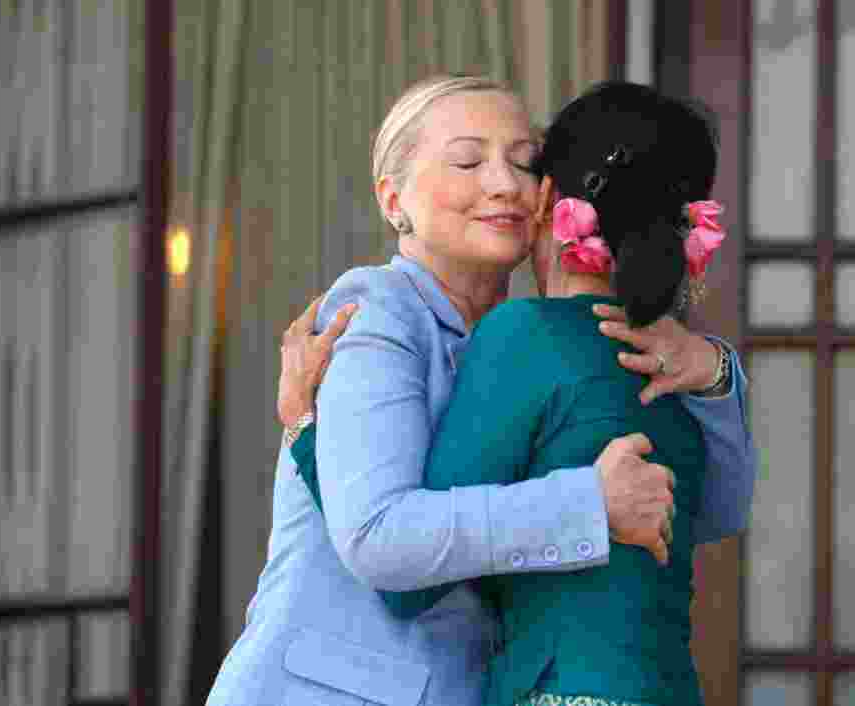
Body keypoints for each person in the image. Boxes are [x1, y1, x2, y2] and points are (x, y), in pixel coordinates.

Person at [206, 76, 754, 706]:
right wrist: (589, 506)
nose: (504, 184)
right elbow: (380, 536)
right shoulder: (376, 311)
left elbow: (705, 511)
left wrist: (712, 370)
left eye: (524, 163)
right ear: (393, 200)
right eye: (467, 160)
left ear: (550, 198)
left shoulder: (547, 337)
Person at [373, 80, 727, 706]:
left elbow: (410, 583)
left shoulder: (526, 334)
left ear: (547, 201)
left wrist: (307, 426)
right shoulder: (689, 370)